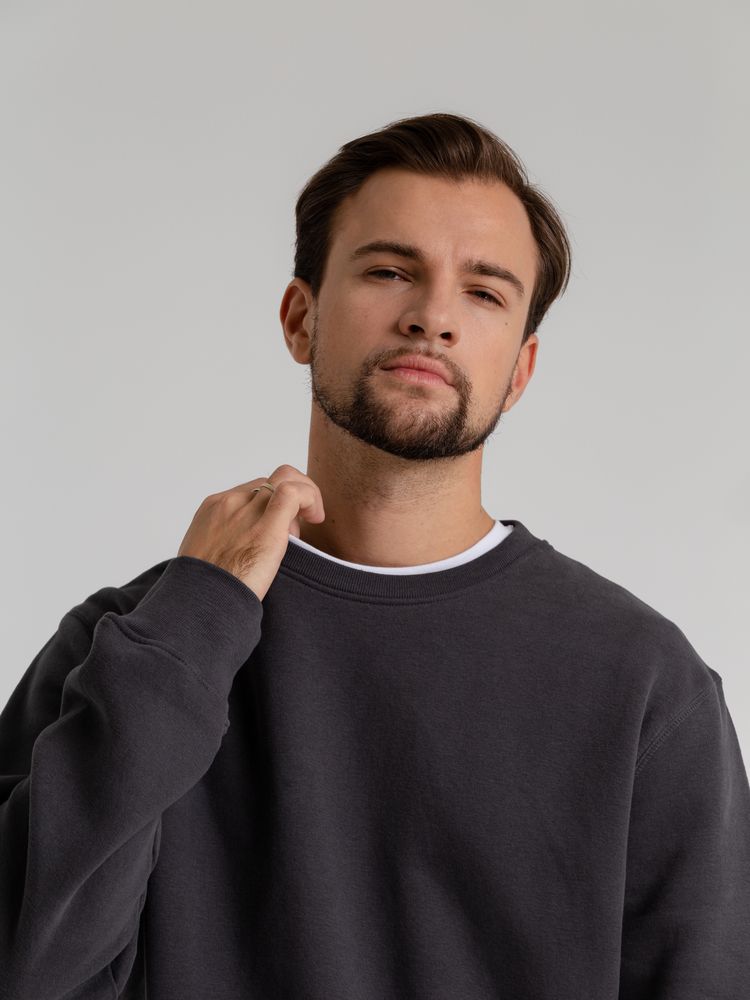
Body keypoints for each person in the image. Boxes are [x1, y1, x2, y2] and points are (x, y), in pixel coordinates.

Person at [1, 112, 748, 1000]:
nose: (432, 317)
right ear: (300, 318)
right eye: (390, 271)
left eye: (484, 292)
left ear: (520, 371)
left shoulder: (645, 686)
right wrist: (192, 625)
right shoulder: (134, 645)